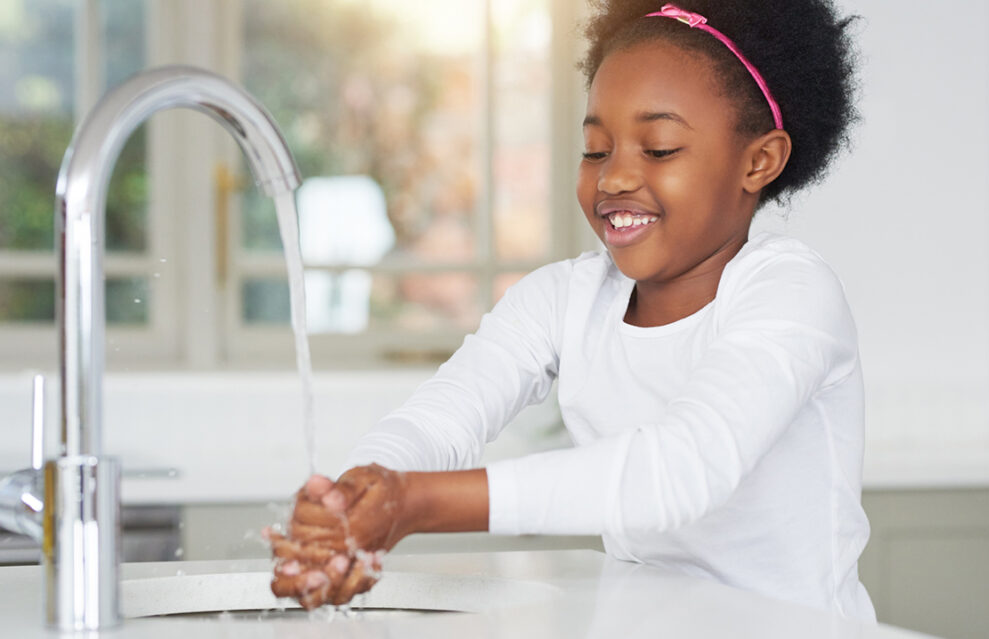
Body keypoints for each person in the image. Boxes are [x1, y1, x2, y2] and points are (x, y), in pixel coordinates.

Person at [268, 0, 874, 620]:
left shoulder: (791, 292)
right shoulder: (564, 299)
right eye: (596, 149)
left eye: (659, 149)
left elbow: (678, 470)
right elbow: (441, 419)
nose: (613, 178)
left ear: (759, 161)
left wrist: (415, 503)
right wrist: (350, 501)